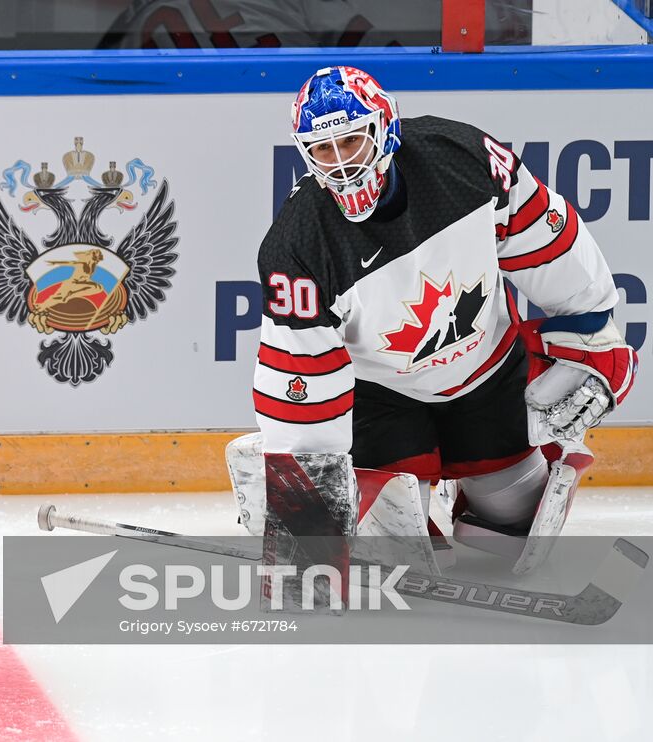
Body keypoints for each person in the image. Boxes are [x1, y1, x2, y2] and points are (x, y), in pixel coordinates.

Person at [239, 66, 635, 561]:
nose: (341, 165)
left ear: (385, 129)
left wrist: (593, 334)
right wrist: (308, 507)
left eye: (352, 141)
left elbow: (547, 243)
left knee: (511, 525)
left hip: (487, 372)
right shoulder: (299, 245)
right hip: (383, 396)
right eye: (324, 149)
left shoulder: (462, 160)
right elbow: (301, 377)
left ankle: (503, 481)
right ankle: (398, 503)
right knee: (397, 546)